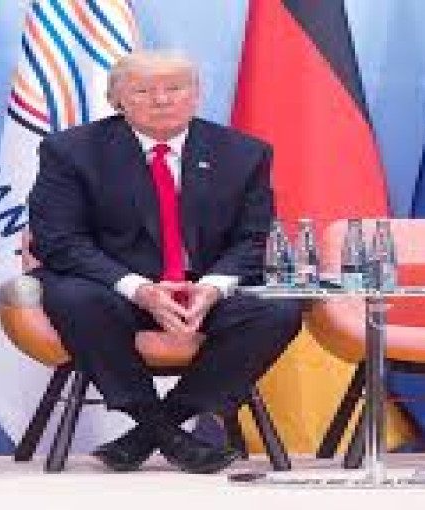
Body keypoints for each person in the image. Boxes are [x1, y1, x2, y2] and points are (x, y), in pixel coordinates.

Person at [27, 51, 302, 474]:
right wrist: (138, 288)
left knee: (278, 310)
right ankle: (163, 429)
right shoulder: (71, 151)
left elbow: (253, 240)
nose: (162, 100)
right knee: (75, 297)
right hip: (112, 287)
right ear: (116, 99)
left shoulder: (243, 153)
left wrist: (211, 288)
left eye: (175, 88)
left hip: (203, 290)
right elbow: (58, 242)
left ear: (196, 95)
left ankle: (151, 431)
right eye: (144, 91)